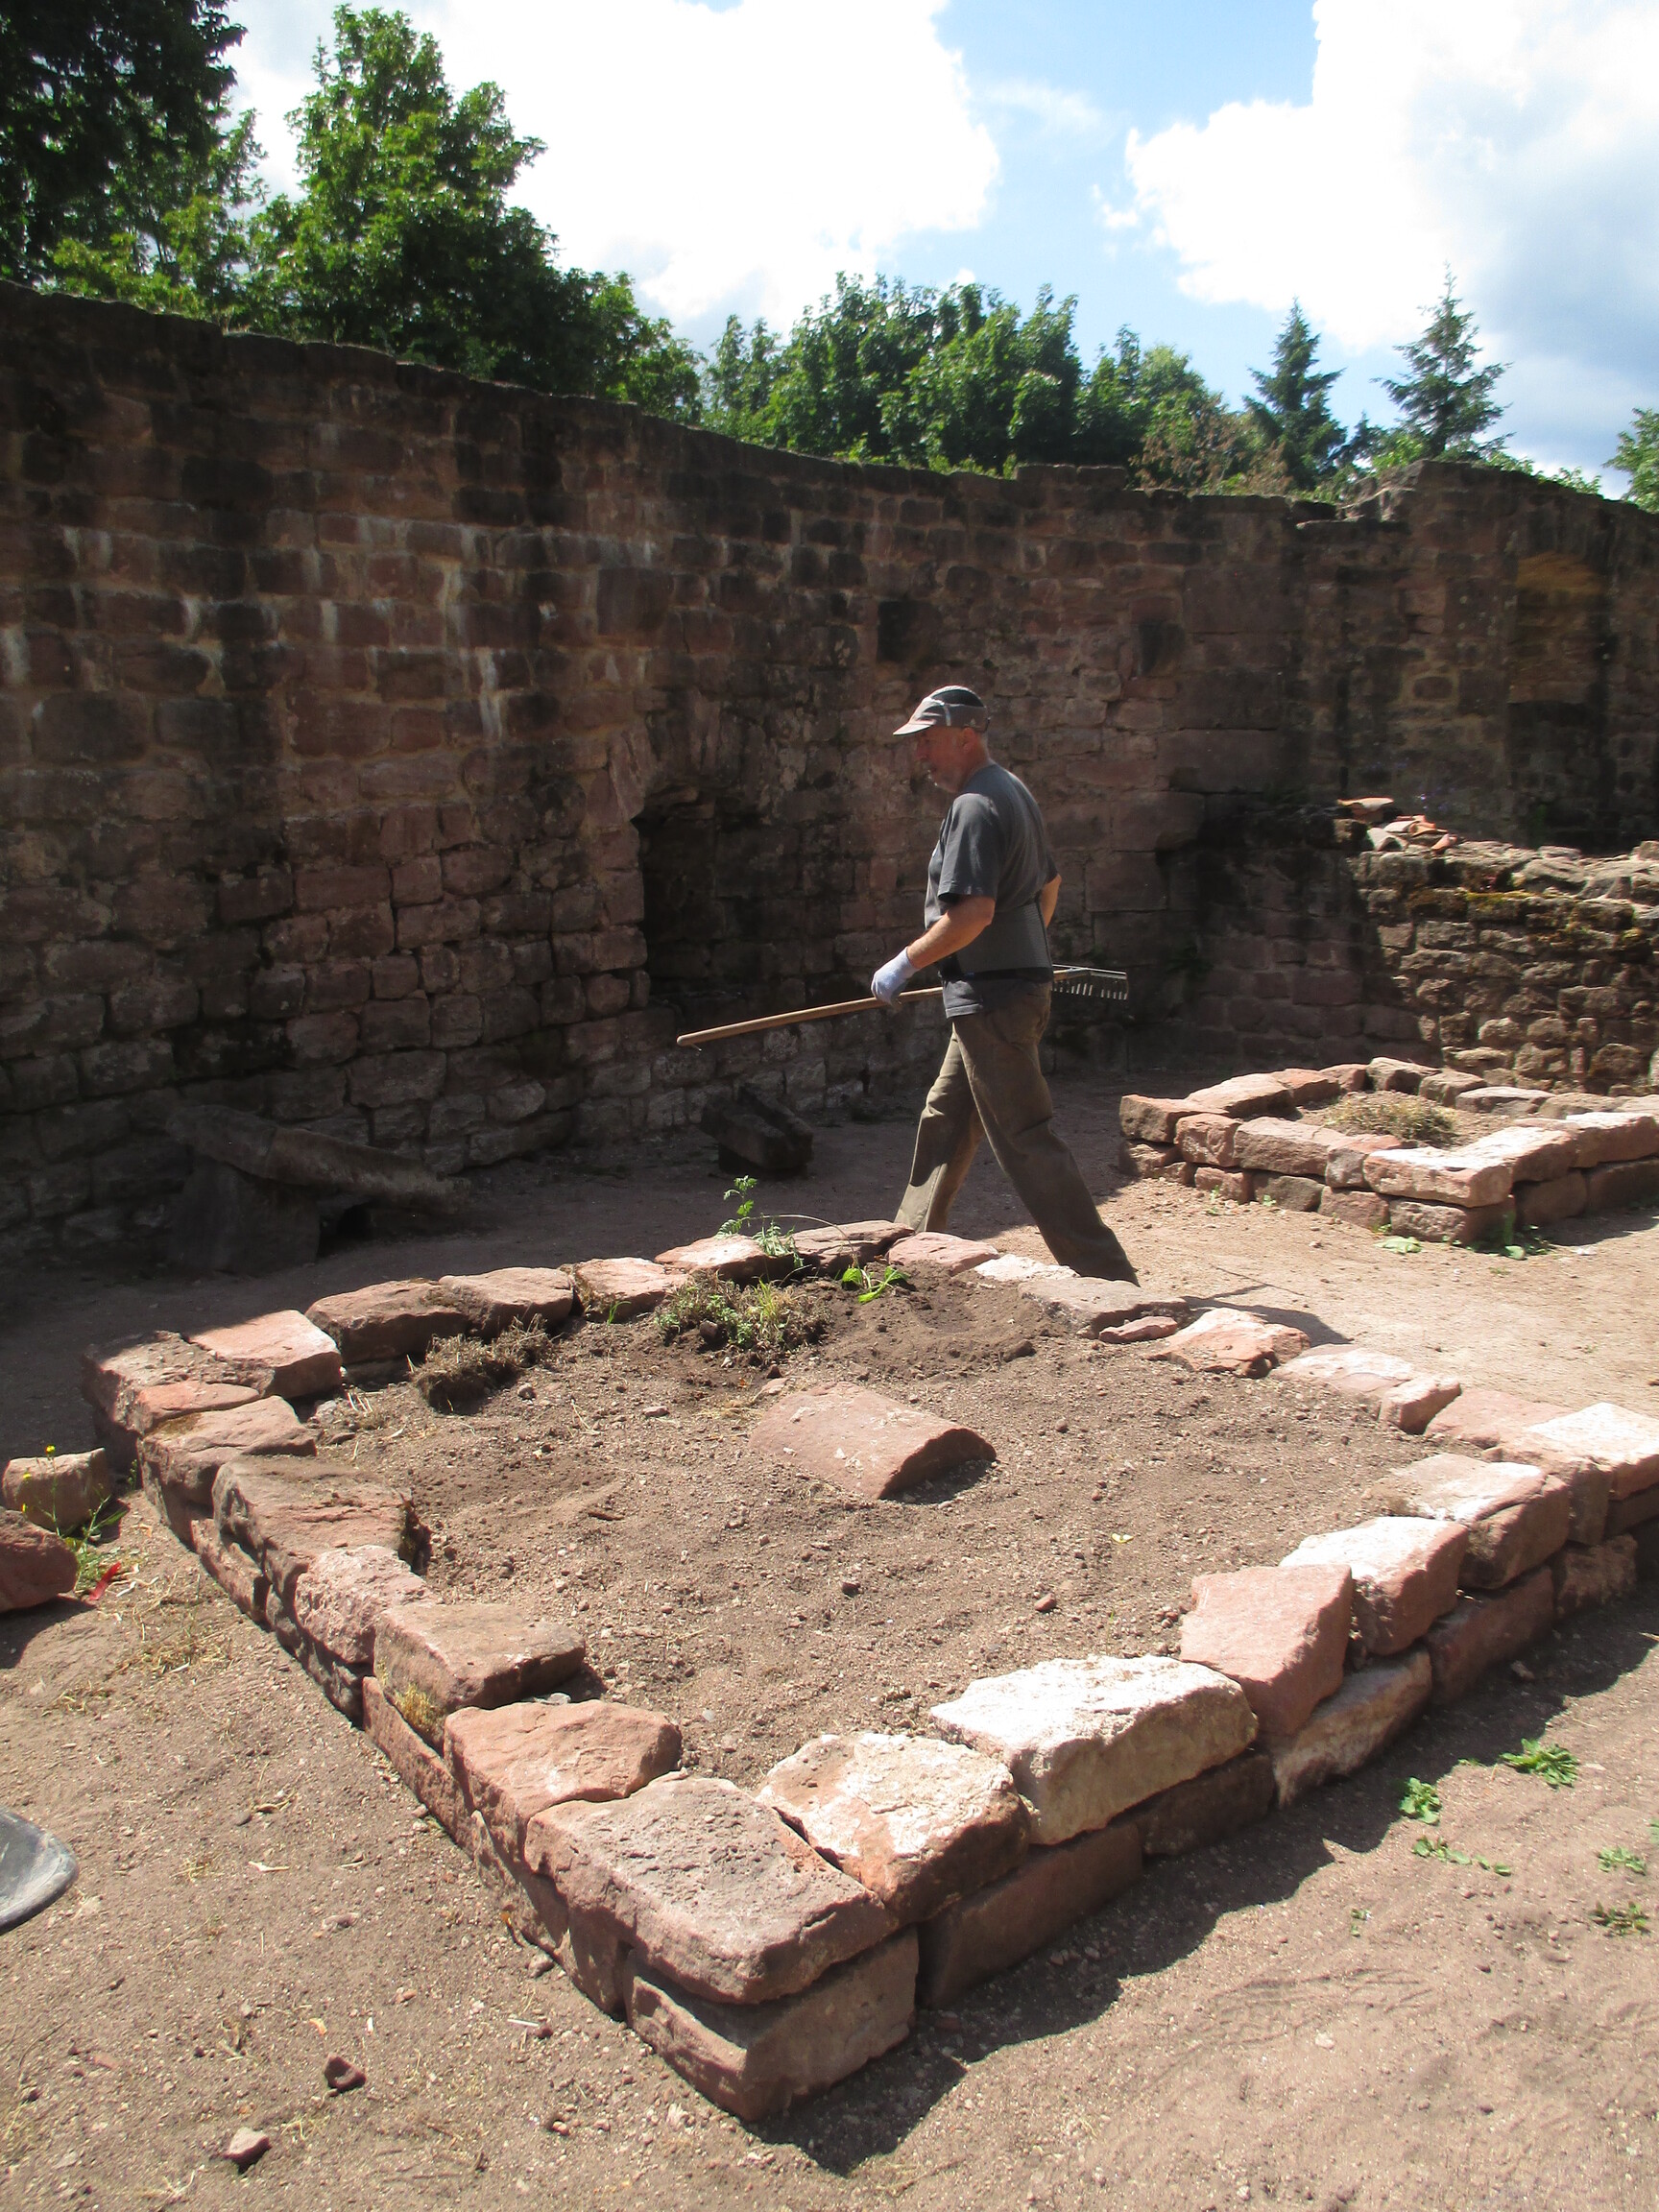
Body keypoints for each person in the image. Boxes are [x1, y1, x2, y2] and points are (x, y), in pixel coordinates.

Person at [871, 685, 1136, 1282]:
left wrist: (906, 962)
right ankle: (904, 1255)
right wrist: (1023, 956)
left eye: (929, 741)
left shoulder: (973, 805)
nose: (920, 755)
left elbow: (972, 913)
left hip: (992, 1001)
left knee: (1025, 1138)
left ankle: (1110, 1280)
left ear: (966, 736)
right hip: (990, 996)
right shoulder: (1011, 790)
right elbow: (1050, 885)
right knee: (945, 1117)